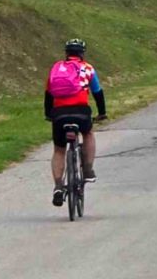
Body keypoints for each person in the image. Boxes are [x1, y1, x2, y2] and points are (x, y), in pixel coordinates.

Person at [45, 38, 107, 207]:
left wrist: (49, 115)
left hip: (59, 114)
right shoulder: (87, 68)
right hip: (81, 112)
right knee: (88, 134)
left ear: (66, 53)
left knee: (59, 150)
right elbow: (98, 92)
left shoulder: (57, 68)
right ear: (82, 53)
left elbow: (49, 94)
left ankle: (58, 186)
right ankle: (87, 169)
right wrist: (102, 113)